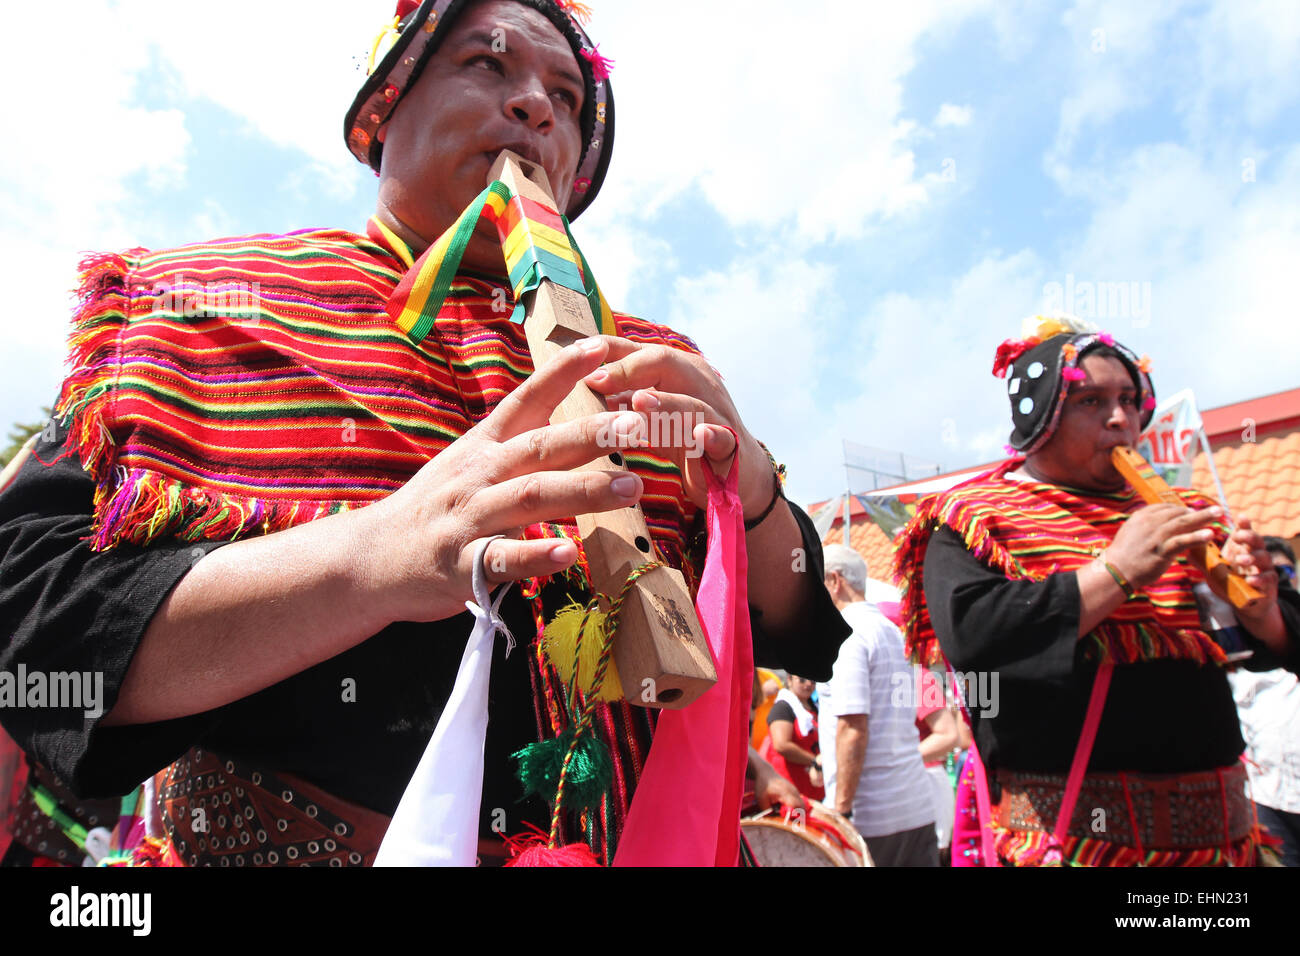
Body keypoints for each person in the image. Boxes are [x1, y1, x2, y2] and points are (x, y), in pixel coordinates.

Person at [0, 0, 850, 866]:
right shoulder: (201, 306)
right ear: (383, 108)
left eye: (566, 94)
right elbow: (29, 632)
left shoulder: (655, 360)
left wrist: (752, 496)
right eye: (489, 64)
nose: (537, 107)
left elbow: (791, 622)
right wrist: (370, 558)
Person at [895, 315, 1300, 866]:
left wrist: (1262, 607)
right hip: (1078, 847)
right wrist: (1117, 570)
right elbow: (975, 640)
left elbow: (1277, 644)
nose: (1120, 418)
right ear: (1040, 417)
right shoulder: (974, 518)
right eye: (1090, 402)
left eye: (1130, 400)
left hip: (1222, 849)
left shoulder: (1190, 515)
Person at [817, 544, 938, 866]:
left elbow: (852, 726)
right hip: (915, 807)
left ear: (834, 581)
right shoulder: (891, 631)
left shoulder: (846, 634)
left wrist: (841, 810)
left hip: (871, 818)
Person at [1227, 537, 1300, 865]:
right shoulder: (1234, 638)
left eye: (1282, 572)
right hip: (1266, 795)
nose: (1265, 582)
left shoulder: (1289, 627)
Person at [760, 674, 825, 801]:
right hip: (792, 789)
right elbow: (782, 745)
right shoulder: (782, 707)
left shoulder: (815, 707)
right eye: (802, 679)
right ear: (789, 680)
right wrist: (814, 761)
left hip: (816, 787)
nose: (808, 684)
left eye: (813, 680)